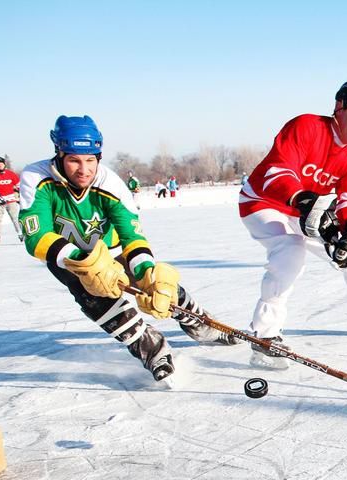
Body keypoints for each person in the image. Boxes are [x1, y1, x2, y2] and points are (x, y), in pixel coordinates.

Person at [17, 115, 237, 383]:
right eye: (74, 159)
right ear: (59, 155)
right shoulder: (37, 176)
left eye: (90, 159)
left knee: (159, 285)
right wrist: (83, 261)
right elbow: (35, 235)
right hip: (68, 258)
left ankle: (201, 324)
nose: (84, 169)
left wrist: (146, 274)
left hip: (112, 251)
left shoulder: (110, 184)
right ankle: (149, 346)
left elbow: (132, 237)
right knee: (96, 300)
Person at [237, 80, 347, 369]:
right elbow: (276, 171)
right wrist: (302, 200)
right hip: (263, 202)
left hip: (306, 211)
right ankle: (265, 336)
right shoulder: (307, 126)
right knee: (291, 251)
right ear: (339, 108)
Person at [0, 156, 21, 244]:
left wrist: (21, 194)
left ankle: (21, 234)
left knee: (15, 218)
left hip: (10, 199)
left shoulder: (11, 174)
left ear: (4, 164)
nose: (0, 165)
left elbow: (19, 185)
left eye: (1, 164)